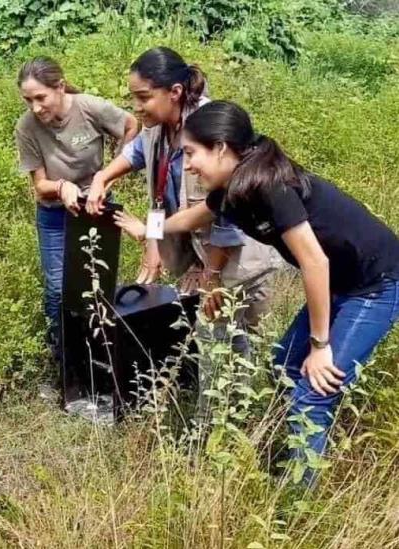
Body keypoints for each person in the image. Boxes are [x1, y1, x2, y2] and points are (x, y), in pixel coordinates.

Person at [166, 99, 399, 484]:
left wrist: (321, 346)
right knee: (284, 365)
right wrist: (147, 229)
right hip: (341, 281)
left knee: (314, 389)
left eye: (192, 153)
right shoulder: (234, 188)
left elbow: (315, 262)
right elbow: (193, 217)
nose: (188, 165)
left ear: (221, 148)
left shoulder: (269, 185)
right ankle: (295, 455)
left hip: (377, 282)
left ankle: (296, 500)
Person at [86, 47, 279, 420]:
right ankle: (221, 418)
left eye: (144, 97)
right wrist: (102, 176)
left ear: (174, 92)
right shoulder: (159, 125)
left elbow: (225, 215)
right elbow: (139, 153)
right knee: (211, 344)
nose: (137, 107)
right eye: (133, 98)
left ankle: (218, 432)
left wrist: (211, 277)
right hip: (201, 255)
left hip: (234, 262)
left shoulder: (209, 128)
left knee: (228, 347)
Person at [14, 56, 138, 365]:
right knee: (57, 288)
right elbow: (40, 185)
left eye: (40, 98)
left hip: (93, 207)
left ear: (59, 87)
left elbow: (131, 125)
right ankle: (61, 355)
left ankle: (98, 350)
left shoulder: (88, 107)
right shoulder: (26, 127)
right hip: (54, 213)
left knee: (96, 281)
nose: (35, 107)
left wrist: (109, 173)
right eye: (28, 100)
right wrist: (61, 187)